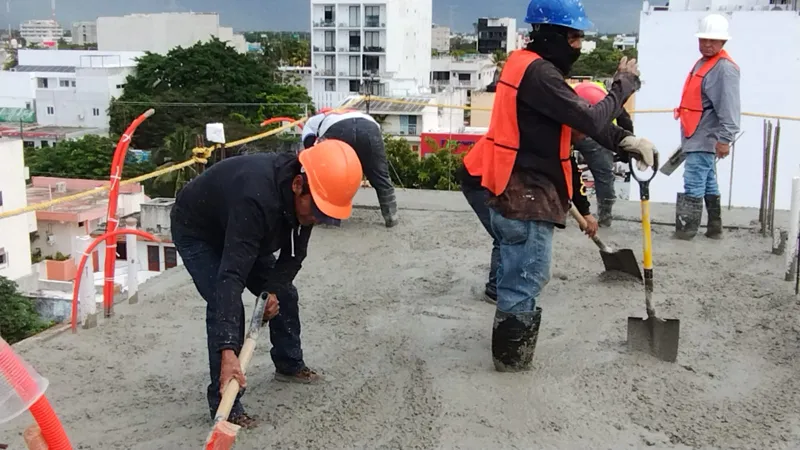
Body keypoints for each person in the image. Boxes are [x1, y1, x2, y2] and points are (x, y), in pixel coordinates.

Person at [461, 0, 657, 373]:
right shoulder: (540, 74)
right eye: (573, 37)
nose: (579, 45)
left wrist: (623, 141)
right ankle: (511, 366)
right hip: (526, 195)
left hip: (514, 189)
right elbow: (585, 115)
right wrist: (622, 88)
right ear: (549, 33)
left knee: (520, 275)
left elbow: (576, 123)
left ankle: (510, 356)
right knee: (526, 279)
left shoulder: (526, 65)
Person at [170, 140, 363, 427]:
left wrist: (271, 289)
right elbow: (231, 278)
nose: (316, 220)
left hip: (245, 229)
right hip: (200, 231)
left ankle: (289, 363)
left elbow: (294, 256)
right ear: (298, 185)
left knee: (286, 294)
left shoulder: (309, 195)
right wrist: (228, 352)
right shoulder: (257, 197)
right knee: (227, 306)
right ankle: (226, 402)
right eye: (317, 212)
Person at [673, 13, 740, 240]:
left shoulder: (724, 68)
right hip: (697, 133)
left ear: (723, 42)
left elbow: (729, 106)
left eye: (712, 40)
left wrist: (725, 139)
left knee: (693, 180)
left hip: (706, 135)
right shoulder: (705, 63)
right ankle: (714, 228)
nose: (707, 44)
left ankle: (686, 230)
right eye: (703, 40)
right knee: (709, 180)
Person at [302, 108, 399, 228]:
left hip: (337, 129)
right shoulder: (356, 113)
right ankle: (391, 216)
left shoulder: (313, 121)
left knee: (333, 174)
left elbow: (309, 145)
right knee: (381, 176)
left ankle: (331, 218)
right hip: (370, 127)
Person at [571, 81, 636, 227]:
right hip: (597, 135)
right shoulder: (607, 99)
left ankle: (560, 213)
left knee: (563, 166)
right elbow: (624, 119)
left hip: (571, 125)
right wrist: (626, 150)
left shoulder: (573, 91)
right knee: (604, 176)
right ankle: (605, 216)